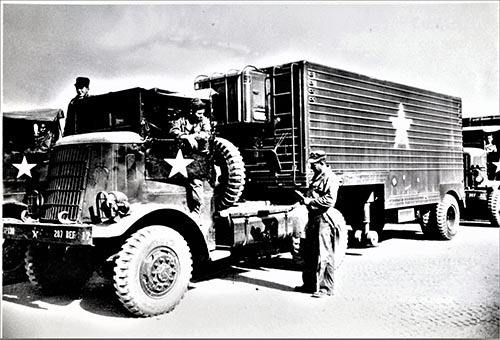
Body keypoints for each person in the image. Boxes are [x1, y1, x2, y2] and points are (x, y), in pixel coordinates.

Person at [295, 150, 341, 298]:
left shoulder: (330, 178)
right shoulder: (317, 176)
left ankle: (326, 288)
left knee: (325, 253)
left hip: (324, 218)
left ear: (322, 163)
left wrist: (311, 201)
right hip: (313, 218)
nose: (311, 167)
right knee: (310, 252)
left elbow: (329, 200)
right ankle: (309, 285)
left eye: (314, 165)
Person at [169, 98, 211, 216]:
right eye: (199, 113)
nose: (201, 116)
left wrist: (192, 136)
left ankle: (197, 211)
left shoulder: (204, 121)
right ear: (192, 111)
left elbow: (206, 134)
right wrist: (185, 136)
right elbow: (173, 130)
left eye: (202, 113)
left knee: (196, 182)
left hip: (198, 157)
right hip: (181, 156)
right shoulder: (181, 120)